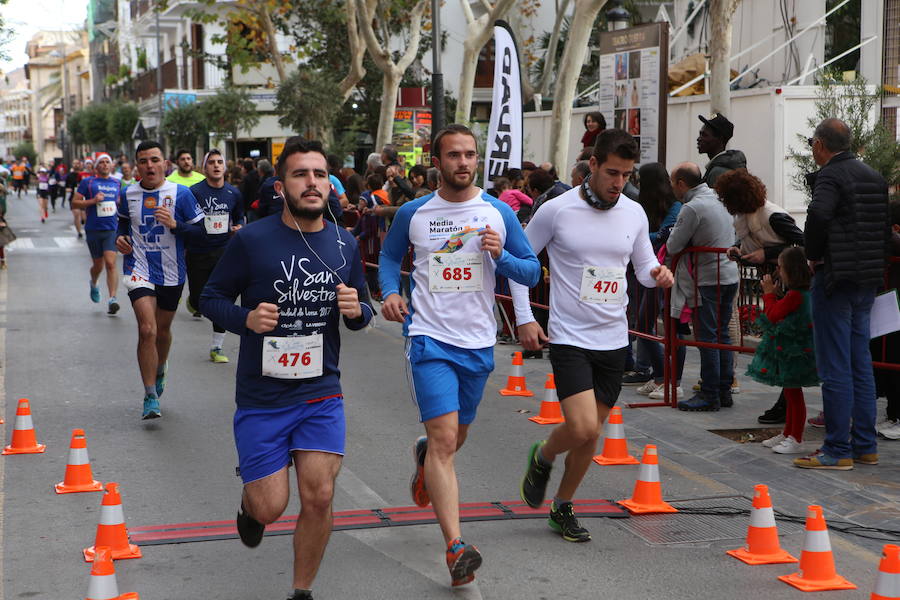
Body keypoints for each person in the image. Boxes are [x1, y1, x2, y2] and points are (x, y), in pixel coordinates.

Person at [200, 139, 374, 600]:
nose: (312, 182)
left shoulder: (344, 242)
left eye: (319, 174)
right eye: (301, 174)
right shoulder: (251, 240)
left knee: (318, 496)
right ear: (282, 186)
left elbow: (363, 311)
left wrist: (358, 311)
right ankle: (250, 506)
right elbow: (209, 298)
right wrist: (245, 319)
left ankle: (302, 591)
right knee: (271, 506)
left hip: (321, 391)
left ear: (329, 183)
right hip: (262, 398)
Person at [379, 124, 540, 586]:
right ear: (437, 160)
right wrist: (390, 292)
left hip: (478, 342)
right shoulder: (414, 212)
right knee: (447, 441)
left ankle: (425, 458)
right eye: (454, 155)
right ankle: (455, 547)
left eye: (470, 154)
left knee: (452, 441)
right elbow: (390, 259)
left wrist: (501, 256)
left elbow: (529, 271)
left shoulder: (497, 213)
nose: (464, 163)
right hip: (429, 339)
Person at [513, 129, 673, 542]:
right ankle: (544, 454)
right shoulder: (557, 210)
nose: (619, 183)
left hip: (614, 339)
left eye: (627, 175)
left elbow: (641, 268)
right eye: (613, 173)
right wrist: (525, 317)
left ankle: (562, 506)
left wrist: (657, 275)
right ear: (594, 165)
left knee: (592, 435)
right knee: (582, 427)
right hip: (569, 336)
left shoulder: (634, 213)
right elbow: (520, 263)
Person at [795, 118, 889, 470]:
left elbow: (818, 215)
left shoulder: (831, 176)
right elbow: (881, 228)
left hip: (835, 279)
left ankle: (837, 449)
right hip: (866, 279)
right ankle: (866, 445)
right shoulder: (874, 177)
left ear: (820, 144)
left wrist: (812, 254)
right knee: (860, 362)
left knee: (834, 367)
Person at [115, 140, 205, 420]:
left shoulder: (182, 194)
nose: (149, 166)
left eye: (154, 160)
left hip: (171, 271)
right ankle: (150, 395)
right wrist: (120, 239)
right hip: (138, 267)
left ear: (165, 164)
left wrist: (176, 225)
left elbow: (202, 234)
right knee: (147, 330)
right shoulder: (127, 193)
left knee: (162, 332)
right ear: (136, 166)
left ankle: (161, 364)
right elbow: (121, 224)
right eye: (143, 161)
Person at [718, 168, 805, 425]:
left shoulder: (773, 216)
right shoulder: (747, 217)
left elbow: (802, 244)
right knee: (781, 347)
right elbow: (751, 242)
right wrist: (738, 250)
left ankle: (786, 407)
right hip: (776, 284)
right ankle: (784, 405)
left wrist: (766, 254)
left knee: (787, 348)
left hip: (789, 288)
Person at [666, 162, 739, 411]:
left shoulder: (692, 208)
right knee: (722, 335)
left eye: (672, 183)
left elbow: (674, 245)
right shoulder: (719, 200)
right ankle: (723, 390)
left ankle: (710, 393)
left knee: (708, 337)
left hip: (709, 277)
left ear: (681, 184)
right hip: (729, 274)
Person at [747, 247, 819, 455]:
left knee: (794, 394)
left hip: (794, 350)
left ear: (790, 270)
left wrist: (768, 294)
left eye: (780, 267)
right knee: (790, 391)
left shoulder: (796, 295)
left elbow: (772, 315)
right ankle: (788, 432)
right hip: (793, 348)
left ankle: (796, 437)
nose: (778, 271)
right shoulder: (798, 294)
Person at [631, 162, 685, 401]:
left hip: (669, 272)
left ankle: (673, 380)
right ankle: (662, 376)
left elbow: (665, 235)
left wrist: (640, 237)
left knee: (674, 328)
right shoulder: (643, 206)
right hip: (649, 270)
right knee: (643, 326)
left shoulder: (675, 206)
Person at [186, 149, 245, 362]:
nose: (216, 165)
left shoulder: (233, 193)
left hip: (224, 251)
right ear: (204, 167)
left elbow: (239, 217)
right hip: (198, 252)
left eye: (220, 162)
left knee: (221, 299)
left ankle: (217, 347)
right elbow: (185, 219)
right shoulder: (194, 192)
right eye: (212, 162)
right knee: (199, 300)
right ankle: (193, 301)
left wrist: (239, 227)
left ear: (225, 167)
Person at [72, 153, 122, 315]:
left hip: (111, 229)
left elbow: (120, 203)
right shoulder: (88, 182)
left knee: (110, 263)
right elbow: (75, 202)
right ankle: (93, 282)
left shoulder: (117, 182)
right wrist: (92, 201)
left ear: (111, 165)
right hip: (93, 229)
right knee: (98, 265)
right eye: (102, 162)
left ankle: (112, 299)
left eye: (108, 162)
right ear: (96, 166)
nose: (105, 165)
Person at [873, 199, 900, 440]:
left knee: (894, 362)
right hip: (887, 309)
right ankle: (892, 413)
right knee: (887, 362)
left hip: (894, 309)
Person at [696, 113, 746, 187]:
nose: (699, 139)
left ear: (720, 139)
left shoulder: (718, 173)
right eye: (700, 134)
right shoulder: (724, 166)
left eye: (704, 135)